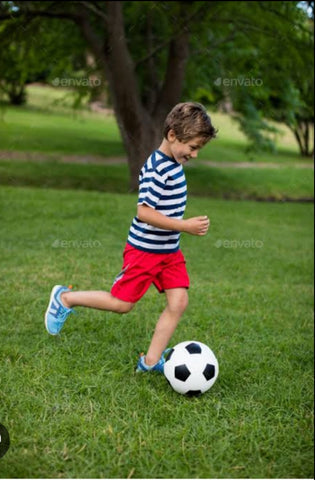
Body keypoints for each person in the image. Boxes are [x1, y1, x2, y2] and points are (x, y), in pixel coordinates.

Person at [45, 102, 217, 373]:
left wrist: (179, 229)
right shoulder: (156, 168)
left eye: (198, 149)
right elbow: (144, 213)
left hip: (169, 252)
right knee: (122, 304)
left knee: (179, 302)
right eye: (192, 147)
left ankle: (150, 362)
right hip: (145, 252)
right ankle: (65, 298)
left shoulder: (174, 163)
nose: (195, 154)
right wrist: (184, 225)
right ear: (172, 136)